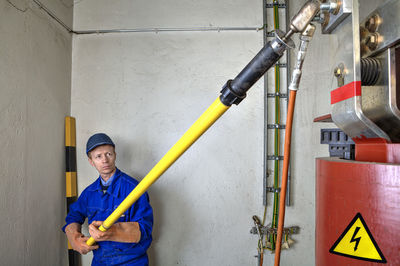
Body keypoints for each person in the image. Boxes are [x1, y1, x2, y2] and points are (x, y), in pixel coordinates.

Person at [62, 133, 153, 266]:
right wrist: (74, 238)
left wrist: (111, 232)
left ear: (114, 155)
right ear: (91, 162)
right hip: (100, 261)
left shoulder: (135, 189)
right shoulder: (89, 193)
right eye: (98, 156)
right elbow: (73, 217)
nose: (105, 160)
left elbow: (145, 229)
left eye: (108, 154)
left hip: (132, 262)